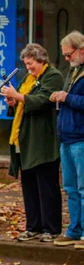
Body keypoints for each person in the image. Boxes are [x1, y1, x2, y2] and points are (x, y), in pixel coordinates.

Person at [0, 43, 64, 243]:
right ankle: (33, 226)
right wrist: (13, 102)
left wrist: (17, 96)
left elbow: (40, 101)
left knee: (46, 185)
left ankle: (51, 228)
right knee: (29, 185)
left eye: (30, 64)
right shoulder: (29, 79)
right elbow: (23, 101)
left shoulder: (53, 76)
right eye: (26, 64)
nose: (28, 68)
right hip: (25, 141)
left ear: (41, 60)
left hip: (43, 142)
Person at [51, 31, 84, 251]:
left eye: (69, 54)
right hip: (67, 138)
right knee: (71, 188)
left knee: (82, 188)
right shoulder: (73, 71)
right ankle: (74, 230)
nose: (66, 58)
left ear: (81, 50)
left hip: (81, 138)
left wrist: (67, 97)